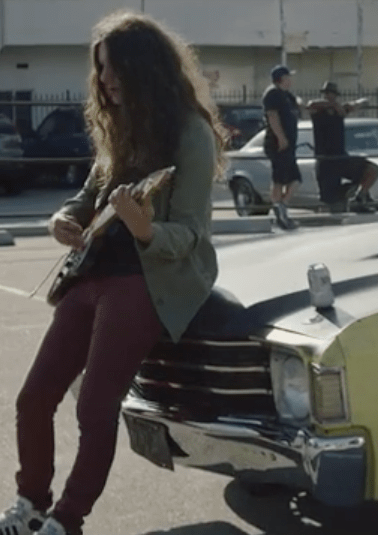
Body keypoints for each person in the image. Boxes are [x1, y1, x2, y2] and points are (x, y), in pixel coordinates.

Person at [0, 10, 223, 535]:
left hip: (145, 282)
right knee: (34, 398)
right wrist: (62, 219)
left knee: (95, 408)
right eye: (100, 67)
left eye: (115, 67)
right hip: (91, 275)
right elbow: (88, 196)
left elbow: (191, 233)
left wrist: (145, 230)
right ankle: (31, 502)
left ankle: (67, 520)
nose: (104, 79)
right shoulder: (120, 129)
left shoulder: (190, 133)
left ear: (147, 68)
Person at [307, 81, 378, 213]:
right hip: (325, 161)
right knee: (331, 203)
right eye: (327, 93)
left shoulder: (340, 110)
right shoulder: (318, 111)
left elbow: (361, 102)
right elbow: (310, 104)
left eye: (332, 94)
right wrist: (333, 105)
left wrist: (353, 105)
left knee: (372, 169)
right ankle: (346, 194)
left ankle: (360, 196)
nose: (329, 96)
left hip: (340, 157)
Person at [262, 65, 301, 230]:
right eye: (287, 77)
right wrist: (281, 137)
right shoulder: (273, 94)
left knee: (294, 179)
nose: (290, 80)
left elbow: (298, 106)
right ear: (281, 79)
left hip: (290, 144)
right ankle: (279, 211)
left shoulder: (287, 96)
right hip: (278, 143)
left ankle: (281, 207)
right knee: (279, 179)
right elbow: (272, 116)